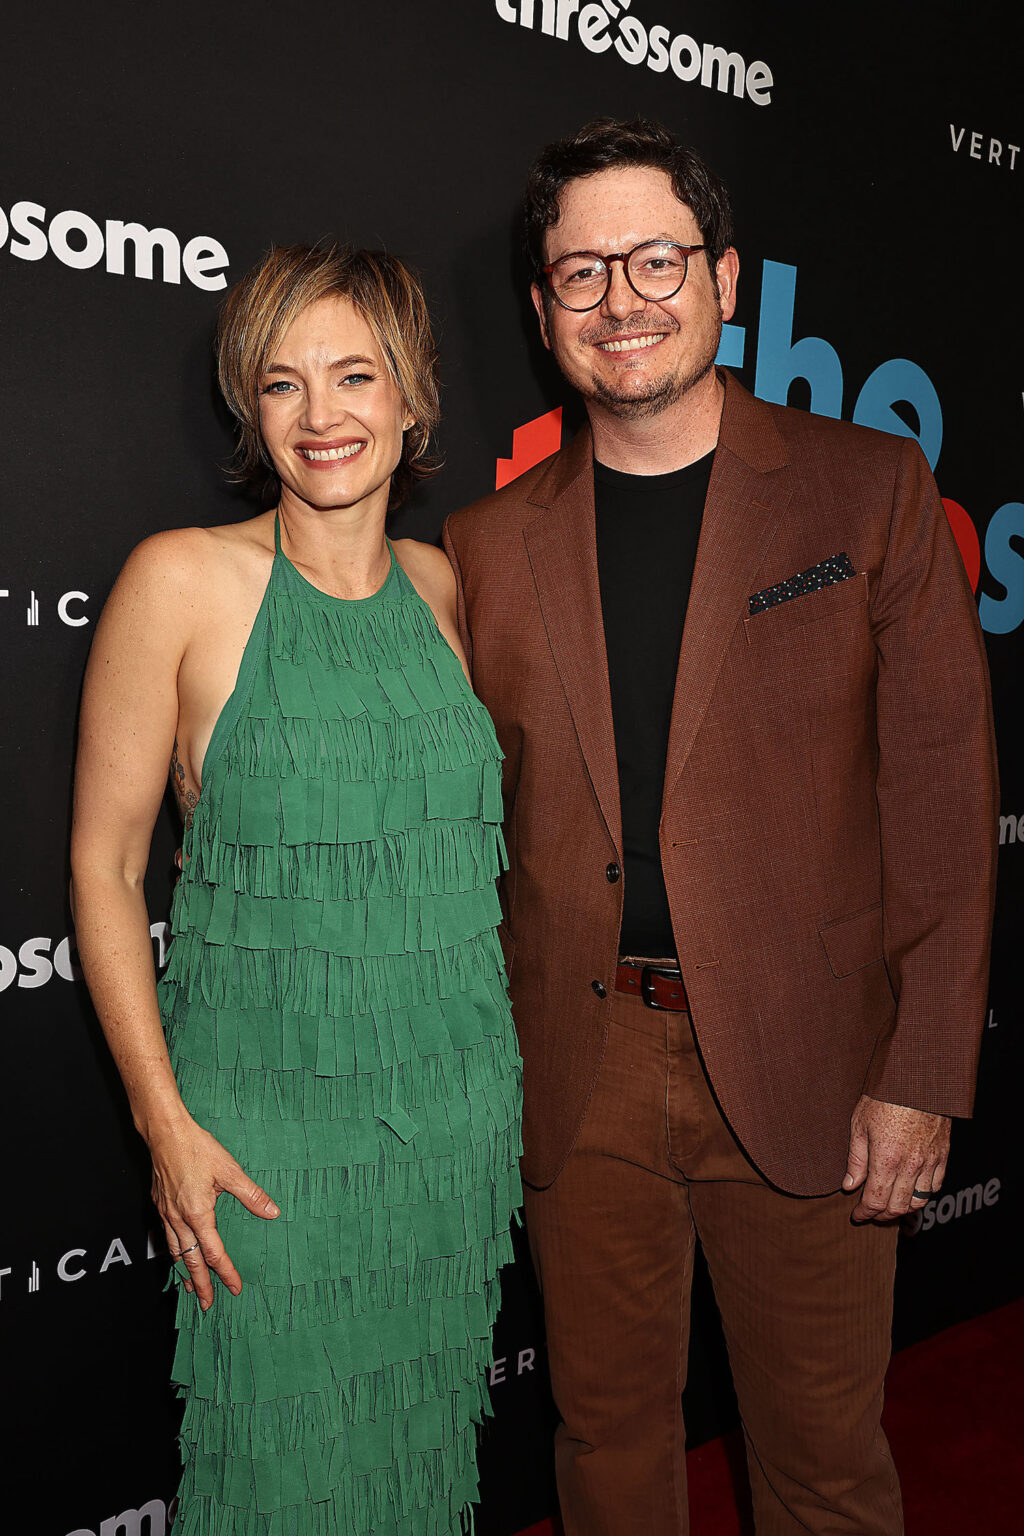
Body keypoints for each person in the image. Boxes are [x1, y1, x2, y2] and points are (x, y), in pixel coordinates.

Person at [442, 119, 997, 1535]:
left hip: (815, 1056)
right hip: (581, 1066)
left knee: (825, 1466)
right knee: (611, 1450)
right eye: (581, 273)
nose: (622, 297)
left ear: (728, 279)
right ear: (542, 308)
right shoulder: (485, 549)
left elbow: (941, 792)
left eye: (656, 259)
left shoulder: (866, 491)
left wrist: (926, 1067)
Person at [70, 243, 522, 1536]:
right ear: (248, 406)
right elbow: (103, 870)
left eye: (355, 376)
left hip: (451, 1129)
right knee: (276, 1477)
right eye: (283, 383)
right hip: (263, 1143)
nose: (322, 417)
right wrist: (165, 1125)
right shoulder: (180, 582)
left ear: (413, 398)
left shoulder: (444, 588)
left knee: (420, 1460)